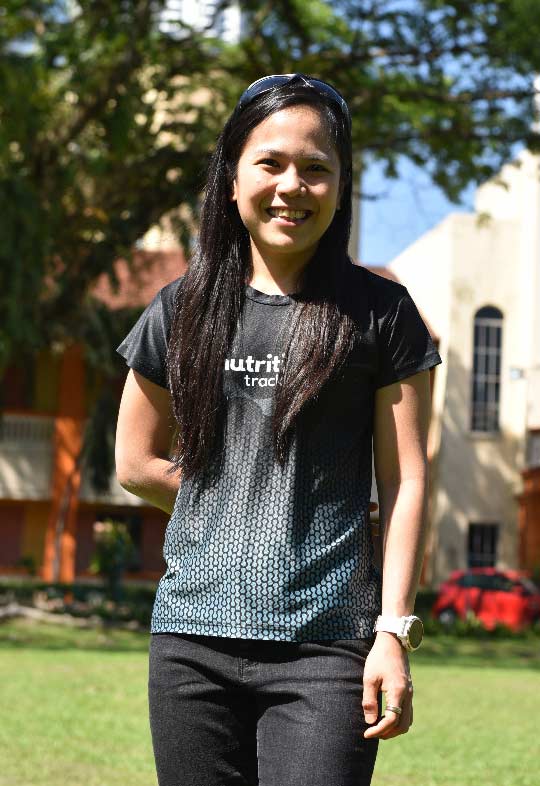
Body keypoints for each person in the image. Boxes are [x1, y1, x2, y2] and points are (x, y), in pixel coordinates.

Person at [115, 73, 442, 786]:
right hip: (190, 646)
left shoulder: (383, 315)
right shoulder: (180, 308)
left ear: (341, 188)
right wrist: (237, 507)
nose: (292, 186)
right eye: (270, 163)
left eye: (316, 168)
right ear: (232, 179)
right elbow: (134, 461)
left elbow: (407, 480)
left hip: (327, 651)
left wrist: (392, 632)